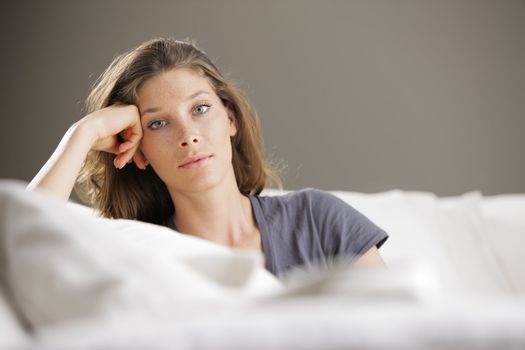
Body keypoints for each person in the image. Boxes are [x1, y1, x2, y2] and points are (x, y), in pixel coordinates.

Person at [27, 37, 388, 278]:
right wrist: (82, 135)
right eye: (158, 123)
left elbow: (402, 332)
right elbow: (17, 248)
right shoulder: (139, 257)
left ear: (230, 118)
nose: (188, 136)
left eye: (200, 108)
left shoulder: (319, 221)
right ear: (138, 149)